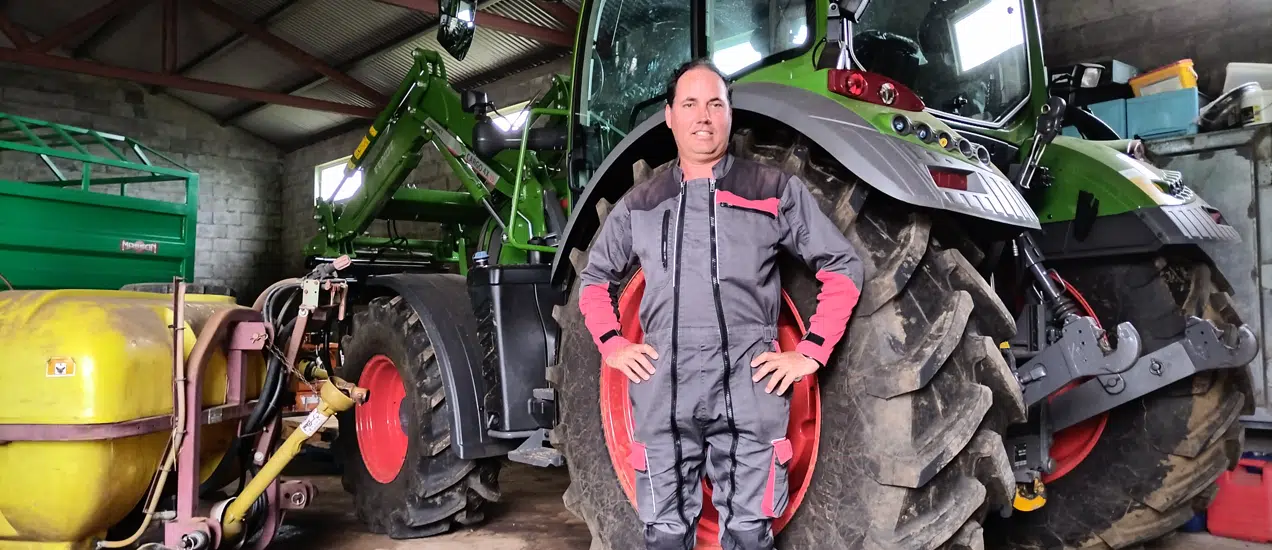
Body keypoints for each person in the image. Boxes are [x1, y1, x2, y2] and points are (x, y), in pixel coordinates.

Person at [576, 58, 864, 550]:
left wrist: (811, 350)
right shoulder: (640, 203)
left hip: (748, 391)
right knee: (664, 534)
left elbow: (842, 266)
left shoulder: (774, 191)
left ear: (731, 114)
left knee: (750, 535)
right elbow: (594, 278)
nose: (703, 116)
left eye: (715, 103)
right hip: (663, 390)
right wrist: (611, 342)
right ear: (670, 116)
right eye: (690, 104)